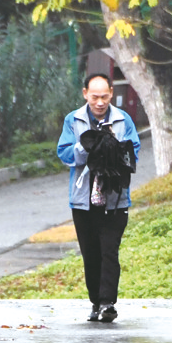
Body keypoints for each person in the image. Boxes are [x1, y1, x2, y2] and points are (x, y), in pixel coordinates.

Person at [57, 72, 140, 323]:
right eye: (95, 97)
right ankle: (96, 301)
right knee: (91, 253)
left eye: (105, 96)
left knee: (109, 250)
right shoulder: (73, 120)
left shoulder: (123, 119)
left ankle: (107, 303)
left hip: (115, 198)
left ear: (111, 94)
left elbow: (133, 153)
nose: (100, 102)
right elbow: (65, 155)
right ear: (85, 94)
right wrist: (86, 145)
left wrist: (114, 148)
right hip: (83, 200)